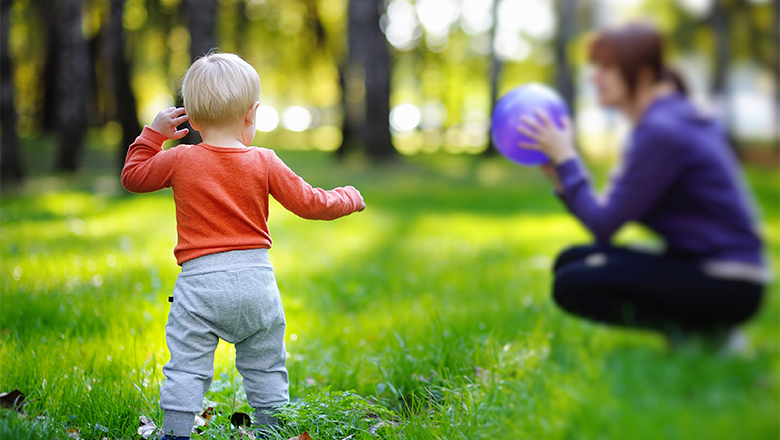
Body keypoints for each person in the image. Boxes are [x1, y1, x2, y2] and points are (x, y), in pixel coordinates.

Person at [121, 52, 365, 440]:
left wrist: (154, 133)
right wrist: (348, 197)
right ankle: (273, 431)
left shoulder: (179, 159)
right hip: (256, 283)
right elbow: (310, 203)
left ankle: (176, 434)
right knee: (267, 366)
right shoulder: (264, 160)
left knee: (187, 368)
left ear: (193, 119)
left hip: (201, 285)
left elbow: (132, 177)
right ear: (252, 114)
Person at [517, 22, 767, 344]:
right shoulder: (668, 118)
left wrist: (567, 158)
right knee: (573, 260)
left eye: (607, 67)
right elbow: (605, 218)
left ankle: (701, 333)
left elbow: (604, 224)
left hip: (728, 279)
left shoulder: (663, 130)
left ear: (643, 73)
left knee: (572, 283)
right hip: (713, 271)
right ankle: (701, 330)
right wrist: (562, 176)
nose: (595, 77)